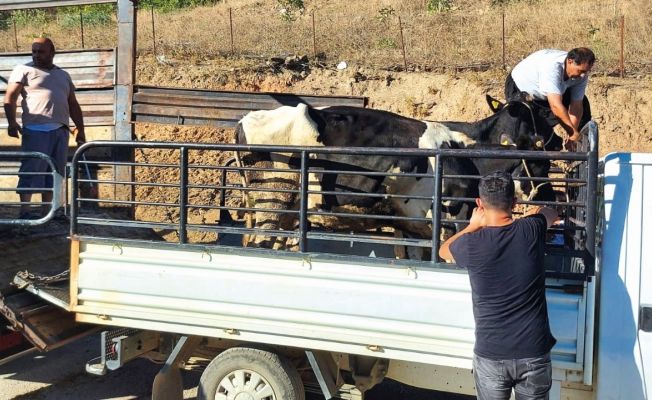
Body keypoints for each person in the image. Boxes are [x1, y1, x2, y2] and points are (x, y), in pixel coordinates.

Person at [439, 171, 559, 400]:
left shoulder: (471, 243)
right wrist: (535, 213)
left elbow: (444, 251)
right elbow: (551, 212)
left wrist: (472, 226)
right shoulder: (531, 230)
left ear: (479, 204)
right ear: (514, 203)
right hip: (533, 352)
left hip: (491, 354)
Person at [3, 37, 86, 219]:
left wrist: (80, 129)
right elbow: (10, 98)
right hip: (36, 129)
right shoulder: (24, 70)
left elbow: (73, 104)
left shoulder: (63, 75)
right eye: (34, 51)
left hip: (60, 131)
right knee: (32, 169)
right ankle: (25, 211)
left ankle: (48, 211)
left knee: (56, 172)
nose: (36, 55)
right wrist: (12, 122)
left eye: (41, 51)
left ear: (52, 53)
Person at [506, 48, 595, 150]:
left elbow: (577, 105)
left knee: (584, 105)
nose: (583, 75)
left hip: (548, 94)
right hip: (520, 89)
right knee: (530, 131)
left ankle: (576, 151)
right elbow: (555, 106)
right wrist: (572, 132)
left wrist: (572, 134)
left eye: (586, 71)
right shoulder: (552, 67)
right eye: (581, 71)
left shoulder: (581, 75)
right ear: (570, 61)